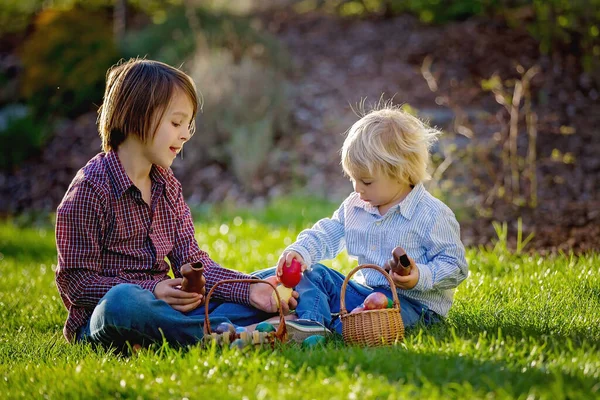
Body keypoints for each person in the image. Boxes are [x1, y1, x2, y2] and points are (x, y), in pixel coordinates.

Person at [54, 58, 297, 350]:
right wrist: (152, 290)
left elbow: (193, 263)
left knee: (272, 284)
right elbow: (76, 285)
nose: (184, 134)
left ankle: (220, 331)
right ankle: (229, 334)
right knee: (122, 302)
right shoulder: (90, 191)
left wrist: (251, 290)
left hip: (168, 312)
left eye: (188, 126)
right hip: (105, 319)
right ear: (136, 115)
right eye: (176, 122)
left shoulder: (167, 186)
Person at [270, 104, 469, 334]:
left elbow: (455, 266)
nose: (357, 189)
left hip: (414, 306)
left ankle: (341, 324)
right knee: (316, 275)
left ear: (401, 173)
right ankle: (310, 324)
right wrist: (302, 251)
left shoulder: (432, 215)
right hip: (366, 294)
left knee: (378, 317)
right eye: (353, 179)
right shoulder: (356, 206)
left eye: (366, 182)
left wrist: (419, 276)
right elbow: (328, 232)